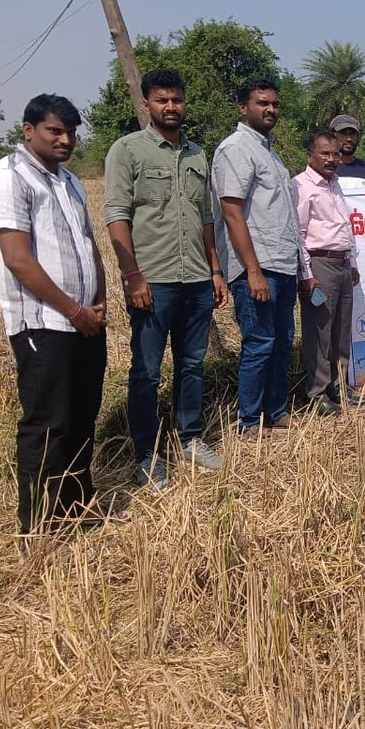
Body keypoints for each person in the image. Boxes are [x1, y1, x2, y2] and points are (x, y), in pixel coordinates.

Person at [0, 94, 107, 535]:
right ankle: (38, 526)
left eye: (71, 132)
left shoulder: (70, 181)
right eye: (55, 131)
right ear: (28, 130)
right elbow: (18, 258)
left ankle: (77, 508)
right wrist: (74, 310)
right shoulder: (9, 177)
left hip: (85, 320)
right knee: (47, 423)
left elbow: (88, 245)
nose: (65, 140)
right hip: (44, 323)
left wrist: (98, 300)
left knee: (82, 416)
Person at [104, 69, 229, 491]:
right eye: (162, 100)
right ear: (146, 105)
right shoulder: (128, 151)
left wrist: (215, 270)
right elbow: (117, 214)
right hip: (152, 281)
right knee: (146, 372)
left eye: (176, 100)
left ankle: (189, 439)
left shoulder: (197, 154)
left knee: (192, 365)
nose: (170, 107)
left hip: (195, 278)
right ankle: (147, 454)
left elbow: (206, 219)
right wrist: (132, 276)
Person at [212, 79, 303, 434]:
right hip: (258, 266)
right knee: (259, 343)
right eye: (262, 103)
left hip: (281, 263)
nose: (270, 110)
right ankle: (249, 421)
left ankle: (276, 412)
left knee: (281, 342)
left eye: (275, 104)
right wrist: (252, 271)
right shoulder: (235, 149)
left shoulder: (269, 151)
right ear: (242, 107)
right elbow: (232, 212)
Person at [294, 132, 365, 415]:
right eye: (325, 153)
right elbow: (298, 234)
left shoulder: (335, 185)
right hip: (319, 264)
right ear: (310, 155)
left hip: (343, 264)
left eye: (335, 154)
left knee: (340, 331)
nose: (331, 159)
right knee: (319, 331)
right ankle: (317, 392)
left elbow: (344, 227)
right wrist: (307, 275)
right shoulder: (300, 186)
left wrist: (353, 265)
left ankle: (339, 386)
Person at [329, 114, 365, 189]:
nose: (349, 139)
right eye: (343, 133)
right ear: (332, 136)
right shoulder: (323, 168)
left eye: (353, 134)